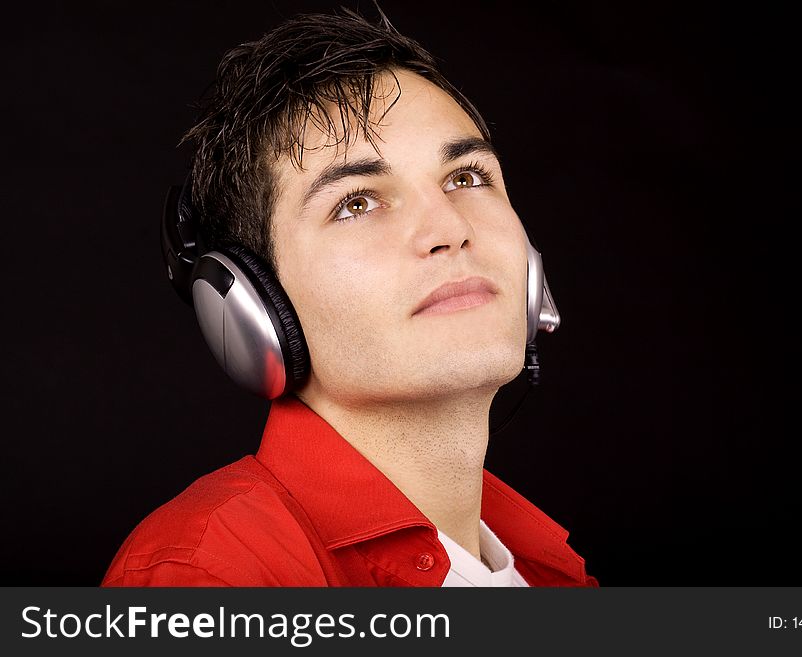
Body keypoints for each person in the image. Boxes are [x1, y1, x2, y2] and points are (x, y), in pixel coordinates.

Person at [102, 6, 598, 587]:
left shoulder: (551, 569)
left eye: (466, 177)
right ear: (253, 308)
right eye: (357, 202)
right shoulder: (212, 573)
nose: (449, 229)